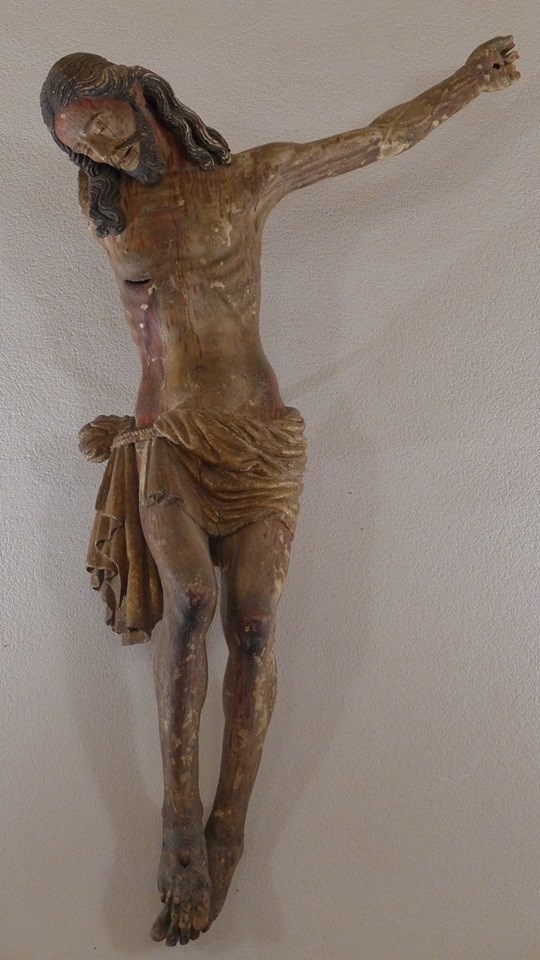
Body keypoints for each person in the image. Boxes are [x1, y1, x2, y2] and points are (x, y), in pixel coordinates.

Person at [41, 37, 519, 946]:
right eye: (78, 145)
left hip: (259, 440)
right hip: (171, 441)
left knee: (255, 627)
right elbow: (151, 340)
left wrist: (468, 81)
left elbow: (375, 139)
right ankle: (178, 819)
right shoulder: (112, 218)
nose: (97, 146)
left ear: (138, 96)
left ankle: (229, 825)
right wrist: (127, 426)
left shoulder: (247, 181)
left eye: (97, 122)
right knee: (190, 598)